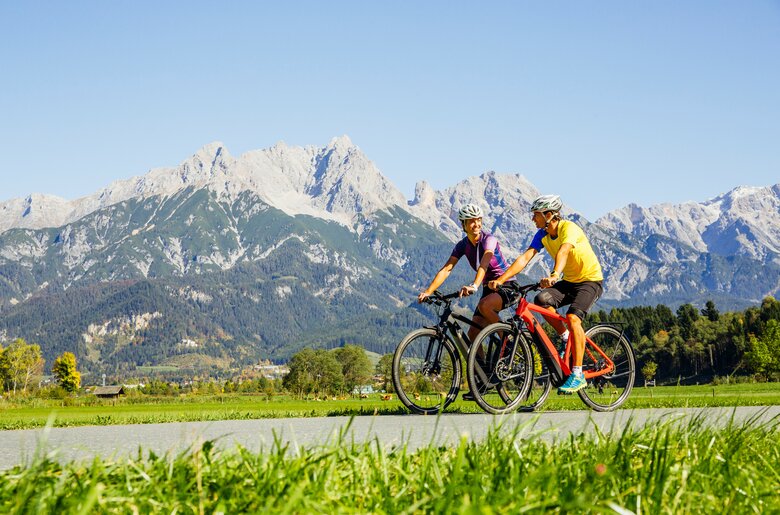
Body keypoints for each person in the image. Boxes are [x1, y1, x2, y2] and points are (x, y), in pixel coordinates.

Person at [488, 195, 604, 394]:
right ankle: (566, 336)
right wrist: (502, 279)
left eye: (536, 215)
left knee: (573, 317)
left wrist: (554, 275)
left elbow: (564, 251)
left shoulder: (569, 228)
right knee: (541, 300)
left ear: (549, 215)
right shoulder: (542, 234)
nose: (533, 219)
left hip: (590, 281)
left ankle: (577, 374)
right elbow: (525, 257)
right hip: (570, 282)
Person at [418, 203, 516, 399]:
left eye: (478, 220)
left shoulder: (489, 240)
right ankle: (483, 378)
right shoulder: (462, 245)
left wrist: (474, 285)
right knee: (472, 333)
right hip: (488, 288)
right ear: (463, 224)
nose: (476, 224)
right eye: (471, 221)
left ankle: (509, 336)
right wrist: (428, 291)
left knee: (484, 305)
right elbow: (447, 269)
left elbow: (484, 263)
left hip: (506, 285)